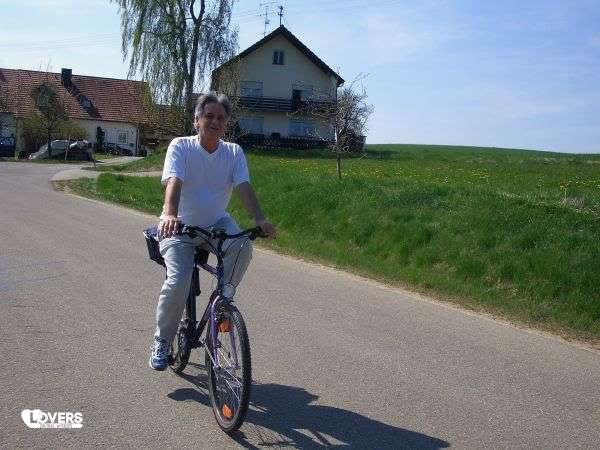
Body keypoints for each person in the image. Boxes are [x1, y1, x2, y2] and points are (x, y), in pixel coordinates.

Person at [149, 92, 276, 371]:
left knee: (242, 244)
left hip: (216, 223)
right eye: (209, 116)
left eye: (220, 118)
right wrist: (170, 214)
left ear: (226, 123)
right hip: (180, 226)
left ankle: (223, 301)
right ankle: (162, 340)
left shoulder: (233, 152)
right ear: (197, 120)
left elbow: (243, 187)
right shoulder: (181, 146)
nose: (215, 122)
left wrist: (260, 219)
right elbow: (174, 181)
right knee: (178, 281)